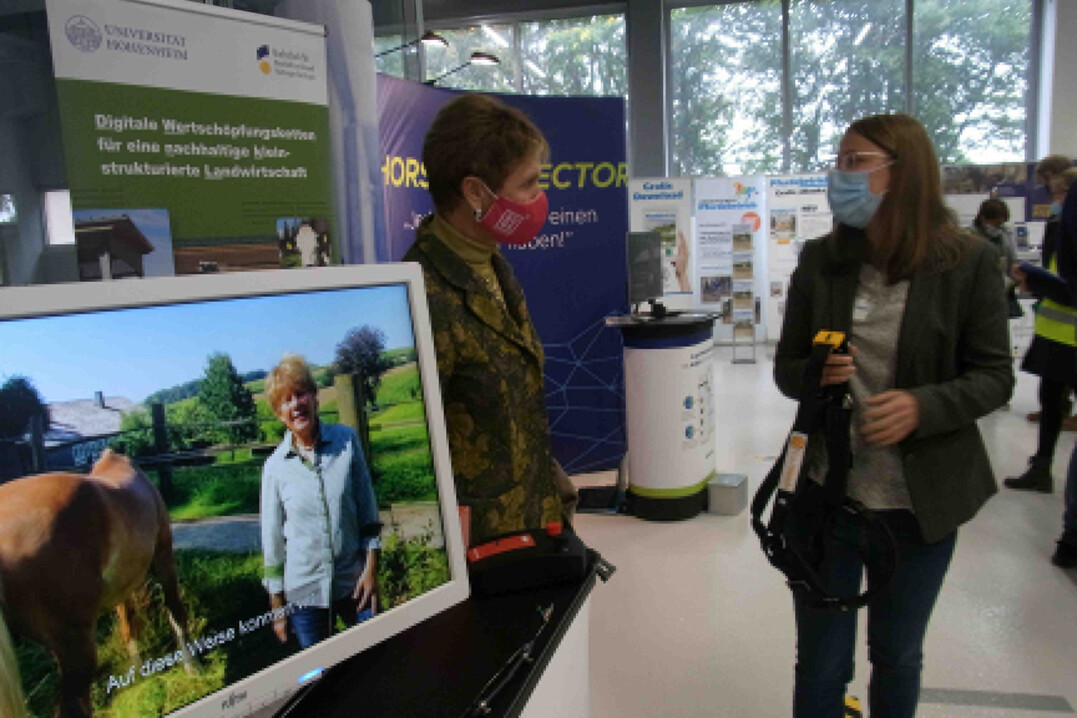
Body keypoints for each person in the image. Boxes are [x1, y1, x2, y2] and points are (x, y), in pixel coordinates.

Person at [774, 113, 1013, 717]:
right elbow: (787, 367)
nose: (840, 175)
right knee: (822, 663)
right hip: (827, 497)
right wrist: (813, 375)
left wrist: (922, 406)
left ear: (901, 173)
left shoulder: (968, 263)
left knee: (898, 655)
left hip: (918, 503)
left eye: (856, 162)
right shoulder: (822, 259)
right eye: (839, 162)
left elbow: (994, 377)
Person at [403, 93, 576, 547]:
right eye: (529, 185)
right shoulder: (422, 296)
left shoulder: (494, 266)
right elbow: (414, 465)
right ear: (476, 192)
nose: (540, 199)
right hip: (480, 558)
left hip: (532, 533)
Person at [260, 354, 381, 649]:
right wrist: (278, 605)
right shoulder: (275, 468)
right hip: (304, 592)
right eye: (286, 400)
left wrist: (371, 571)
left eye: (301, 393)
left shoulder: (346, 441)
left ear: (314, 397)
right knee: (319, 679)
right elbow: (272, 541)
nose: (296, 404)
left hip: (354, 582)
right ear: (279, 413)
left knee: (378, 655)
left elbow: (368, 512)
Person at [1006, 166, 1077, 492]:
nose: (1056, 201)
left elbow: (1070, 288)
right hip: (1054, 333)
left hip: (1069, 337)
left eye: (1062, 194)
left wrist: (1036, 280)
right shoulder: (1060, 230)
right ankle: (1041, 466)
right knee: (1050, 403)